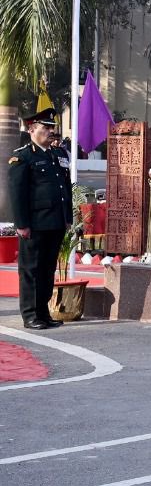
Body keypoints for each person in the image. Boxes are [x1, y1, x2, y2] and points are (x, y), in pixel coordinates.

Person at [7, 108, 72, 330]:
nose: (50, 131)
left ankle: (43, 313)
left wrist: (67, 217)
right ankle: (30, 315)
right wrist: (22, 224)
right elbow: (17, 194)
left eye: (52, 127)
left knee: (47, 269)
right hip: (34, 224)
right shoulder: (23, 157)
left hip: (55, 222)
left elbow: (66, 190)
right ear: (32, 129)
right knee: (31, 270)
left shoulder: (58, 155)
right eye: (45, 127)